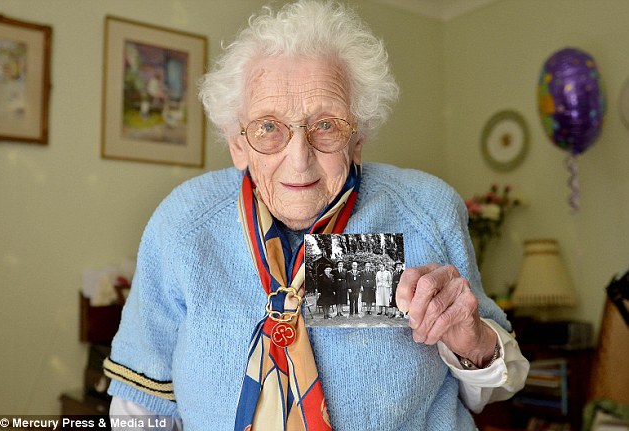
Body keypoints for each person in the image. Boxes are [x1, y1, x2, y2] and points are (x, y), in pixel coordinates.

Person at [104, 1, 529, 430]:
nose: (299, 160)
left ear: (358, 137)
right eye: (268, 127)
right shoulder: (182, 225)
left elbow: (495, 387)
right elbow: (140, 409)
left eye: (325, 125)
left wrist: (471, 341)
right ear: (237, 143)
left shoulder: (427, 210)